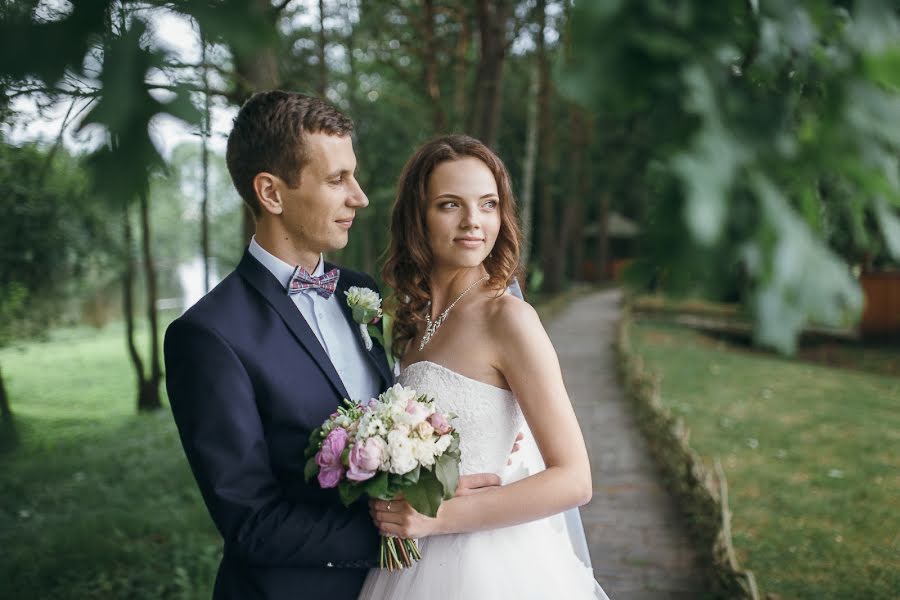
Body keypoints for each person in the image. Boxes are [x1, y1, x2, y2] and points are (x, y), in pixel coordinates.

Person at [163, 91, 500, 600]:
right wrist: (410, 526)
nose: (360, 197)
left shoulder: (358, 293)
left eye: (354, 175)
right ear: (272, 194)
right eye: (337, 179)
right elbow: (251, 522)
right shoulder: (208, 336)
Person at [359, 135, 610, 599]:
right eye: (450, 205)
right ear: (418, 217)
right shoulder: (409, 325)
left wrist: (437, 516)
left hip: (490, 567)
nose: (474, 222)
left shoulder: (508, 318)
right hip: (407, 565)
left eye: (488, 204)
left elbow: (574, 479)